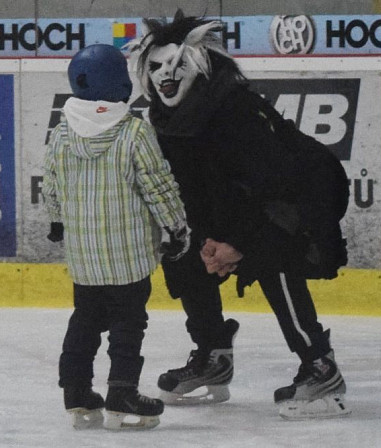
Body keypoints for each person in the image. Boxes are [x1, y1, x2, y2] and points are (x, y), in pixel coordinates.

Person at [127, 11, 350, 419]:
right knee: (182, 247)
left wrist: (240, 245)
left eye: (172, 66)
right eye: (154, 68)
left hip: (302, 196)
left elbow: (270, 188)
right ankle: (213, 352)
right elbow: (194, 188)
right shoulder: (165, 118)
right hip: (240, 201)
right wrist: (206, 240)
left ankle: (320, 365)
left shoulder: (235, 109)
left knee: (274, 257)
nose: (163, 77)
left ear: (197, 63)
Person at [42, 43, 190, 430]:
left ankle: (75, 391)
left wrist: (57, 221)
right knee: (128, 324)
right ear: (119, 85)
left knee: (85, 319)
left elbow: (51, 186)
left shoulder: (60, 134)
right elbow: (158, 186)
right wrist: (176, 227)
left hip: (85, 258)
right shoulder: (135, 132)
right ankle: (122, 392)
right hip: (128, 257)